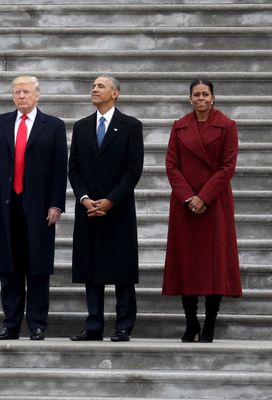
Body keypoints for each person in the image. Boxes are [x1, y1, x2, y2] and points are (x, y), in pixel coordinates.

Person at [0, 75, 67, 341]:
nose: (21, 96)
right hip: (5, 205)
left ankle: (37, 323)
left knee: (37, 267)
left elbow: (58, 168)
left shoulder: (53, 126)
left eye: (26, 92)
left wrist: (56, 204)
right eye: (17, 92)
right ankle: (11, 323)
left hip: (39, 207)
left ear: (37, 95)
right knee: (9, 268)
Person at [162, 79, 242, 343]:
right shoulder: (179, 126)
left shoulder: (227, 126)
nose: (201, 99)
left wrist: (204, 197)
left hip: (214, 203)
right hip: (185, 205)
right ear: (190, 99)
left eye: (205, 94)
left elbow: (227, 167)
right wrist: (188, 197)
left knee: (214, 265)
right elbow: (171, 165)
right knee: (187, 262)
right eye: (196, 95)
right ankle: (190, 321)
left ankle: (209, 322)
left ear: (213, 97)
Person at [68, 75, 144, 342]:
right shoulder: (82, 126)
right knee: (91, 269)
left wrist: (111, 200)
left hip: (118, 209)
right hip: (88, 208)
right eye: (93, 86)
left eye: (100, 86)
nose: (94, 89)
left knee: (121, 269)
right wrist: (84, 197)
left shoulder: (131, 126)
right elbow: (73, 168)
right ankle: (94, 324)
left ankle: (123, 325)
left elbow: (133, 170)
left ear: (116, 93)